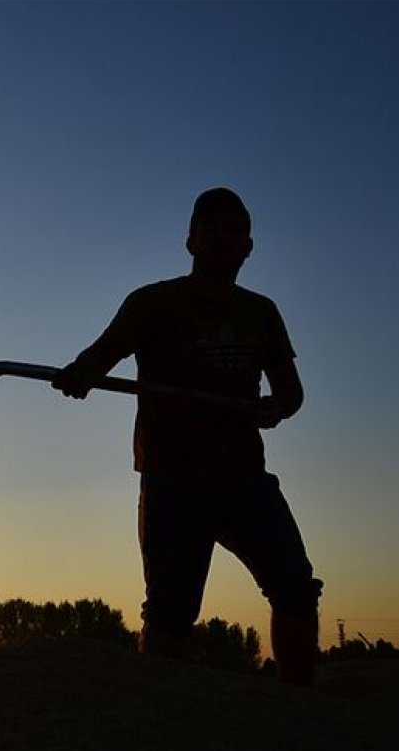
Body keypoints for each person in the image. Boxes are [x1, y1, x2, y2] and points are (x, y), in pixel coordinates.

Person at [51, 187, 322, 686]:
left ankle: (299, 702)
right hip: (173, 480)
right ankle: (162, 716)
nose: (223, 238)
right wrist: (80, 374)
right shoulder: (153, 303)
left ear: (249, 246)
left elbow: (290, 391)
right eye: (211, 229)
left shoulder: (262, 312)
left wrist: (274, 408)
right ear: (190, 241)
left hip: (244, 477)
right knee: (171, 617)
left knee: (295, 587)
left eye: (233, 231)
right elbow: (102, 355)